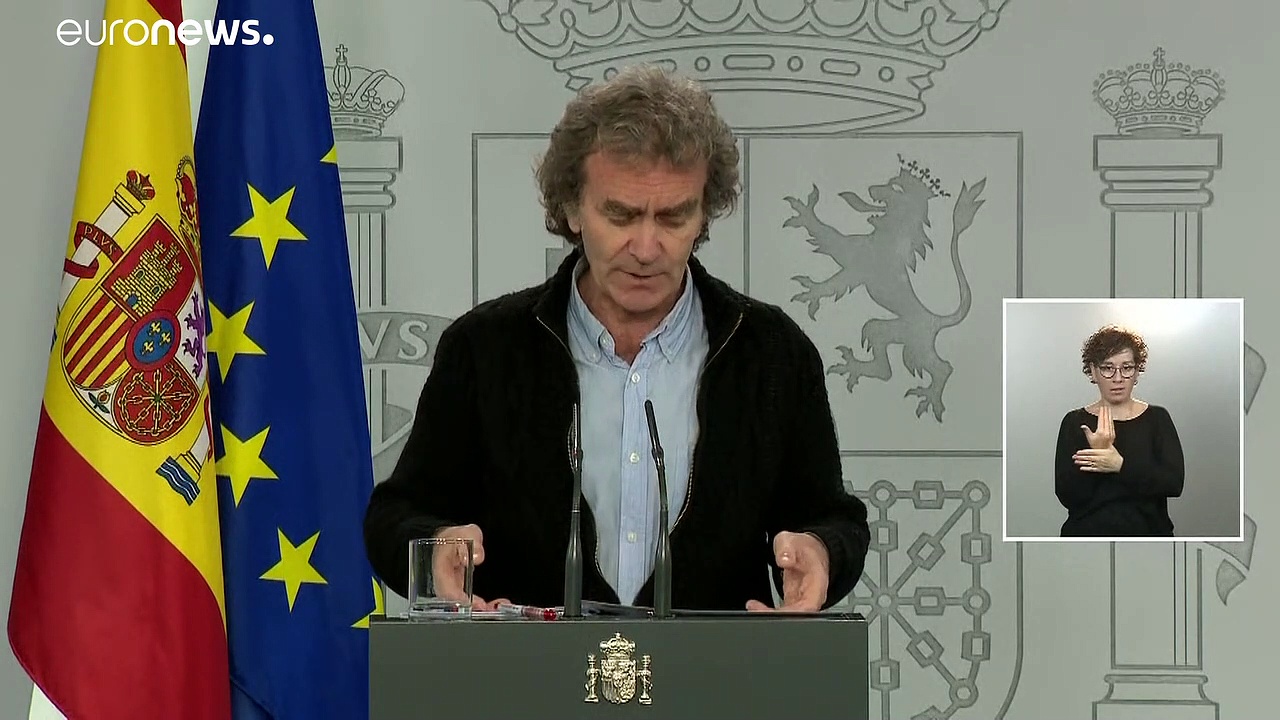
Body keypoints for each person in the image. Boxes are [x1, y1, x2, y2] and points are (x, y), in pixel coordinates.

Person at [363, 64, 870, 613]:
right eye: (621, 215)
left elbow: (832, 519)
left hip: (716, 668)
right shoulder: (484, 349)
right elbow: (397, 515)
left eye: (673, 217)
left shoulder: (771, 353)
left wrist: (821, 552)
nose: (647, 248)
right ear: (572, 208)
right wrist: (436, 546)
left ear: (704, 215)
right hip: (525, 665)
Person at [1054, 324, 1185, 537]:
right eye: (1107, 368)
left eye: (1127, 368)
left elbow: (1173, 484)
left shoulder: (1157, 418)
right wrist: (1098, 455)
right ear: (1093, 371)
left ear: (1136, 371)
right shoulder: (1074, 422)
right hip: (1086, 539)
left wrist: (1120, 465)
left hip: (1149, 538)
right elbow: (1068, 496)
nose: (1118, 378)